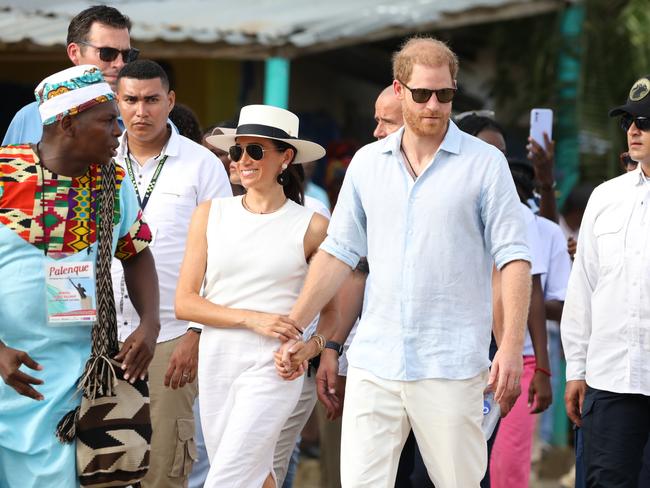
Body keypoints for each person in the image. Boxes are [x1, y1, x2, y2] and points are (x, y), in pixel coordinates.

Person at [280, 37, 531, 487]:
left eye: (445, 94)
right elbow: (339, 252)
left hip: (451, 363)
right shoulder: (366, 163)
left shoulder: (486, 164)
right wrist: (298, 325)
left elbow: (514, 258)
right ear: (399, 90)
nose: (434, 105)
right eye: (422, 94)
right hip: (375, 362)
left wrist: (510, 347)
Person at [0, 64, 159, 488]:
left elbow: (136, 253)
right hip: (9, 371)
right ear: (68, 123)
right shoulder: (3, 175)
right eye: (108, 121)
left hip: (81, 376)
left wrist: (150, 322)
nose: (119, 133)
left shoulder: (113, 182)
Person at [175, 104, 332, 488]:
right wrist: (252, 318)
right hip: (217, 358)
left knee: (225, 478)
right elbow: (185, 302)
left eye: (255, 151)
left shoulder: (313, 226)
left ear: (286, 157)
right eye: (237, 150)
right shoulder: (210, 214)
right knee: (255, 475)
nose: (242, 160)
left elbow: (339, 304)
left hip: (275, 363)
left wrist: (313, 347)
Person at [111, 59, 231, 488]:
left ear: (170, 101)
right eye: (130, 100)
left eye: (151, 100)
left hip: (172, 337)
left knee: (164, 467)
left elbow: (223, 258)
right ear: (117, 102)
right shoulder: (100, 158)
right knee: (100, 463)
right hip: (100, 335)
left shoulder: (203, 165)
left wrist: (196, 333)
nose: (140, 111)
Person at [562, 75, 650, 488]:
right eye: (629, 121)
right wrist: (575, 369)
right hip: (612, 379)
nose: (634, 130)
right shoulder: (606, 197)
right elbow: (584, 289)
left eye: (645, 122)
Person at [3, 5, 137, 145]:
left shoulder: (149, 121)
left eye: (127, 55)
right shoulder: (29, 118)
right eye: (108, 53)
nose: (120, 64)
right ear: (74, 53)